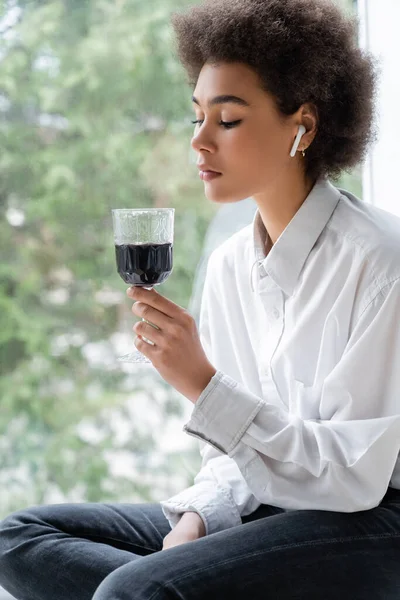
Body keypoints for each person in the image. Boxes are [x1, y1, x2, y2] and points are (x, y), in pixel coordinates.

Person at [1, 0, 400, 598]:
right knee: (20, 537)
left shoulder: (378, 259)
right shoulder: (230, 264)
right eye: (196, 118)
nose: (200, 143)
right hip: (267, 502)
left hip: (370, 524)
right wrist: (195, 521)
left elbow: (351, 475)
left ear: (304, 126)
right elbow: (232, 455)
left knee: (131, 590)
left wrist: (203, 386)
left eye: (228, 120)